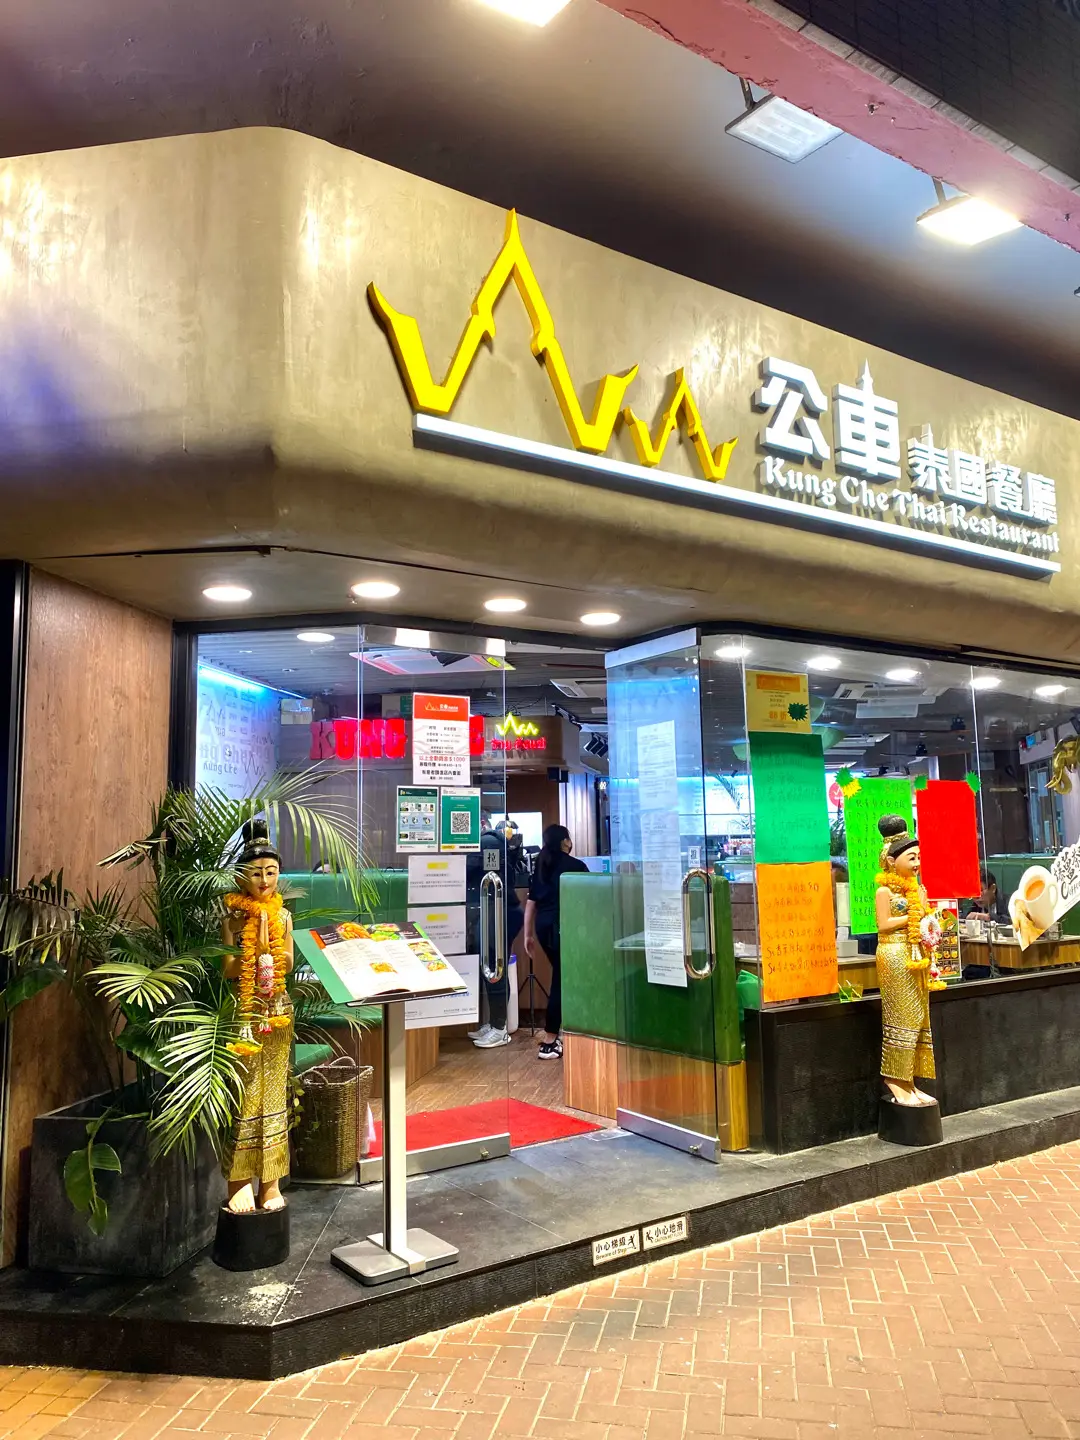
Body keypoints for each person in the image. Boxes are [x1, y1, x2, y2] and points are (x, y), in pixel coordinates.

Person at [524, 824, 587, 1060]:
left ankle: (564, 1033)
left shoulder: (542, 864)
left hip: (544, 927)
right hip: (564, 926)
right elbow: (589, 898)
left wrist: (528, 935)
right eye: (568, 838)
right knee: (561, 979)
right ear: (564, 841)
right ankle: (550, 1041)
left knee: (563, 977)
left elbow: (531, 903)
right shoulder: (576, 866)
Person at [466, 821, 525, 1049]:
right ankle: (496, 1024)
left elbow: (483, 874)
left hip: (498, 911)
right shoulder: (492, 841)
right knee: (492, 967)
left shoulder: (488, 842)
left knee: (494, 967)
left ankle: (499, 1029)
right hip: (498, 910)